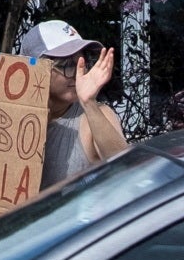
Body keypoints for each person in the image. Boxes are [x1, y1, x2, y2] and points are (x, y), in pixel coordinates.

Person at [23, 19, 127, 189]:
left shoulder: (92, 115)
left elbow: (124, 166)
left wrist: (88, 102)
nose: (77, 73)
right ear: (36, 68)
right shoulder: (12, 117)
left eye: (82, 62)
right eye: (66, 65)